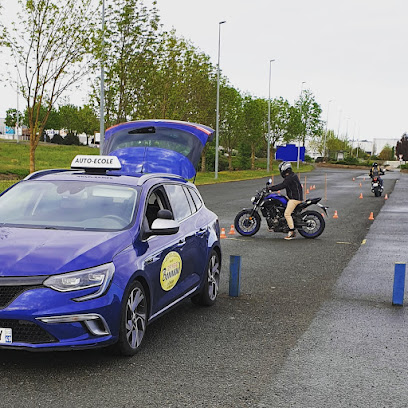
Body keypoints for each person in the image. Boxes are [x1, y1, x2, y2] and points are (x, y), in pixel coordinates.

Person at [268, 161, 303, 240]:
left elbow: (282, 185)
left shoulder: (290, 177)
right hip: (292, 197)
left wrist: (270, 188)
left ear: (284, 169)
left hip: (295, 198)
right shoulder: (291, 176)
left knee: (287, 214)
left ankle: (291, 232)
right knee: (279, 200)